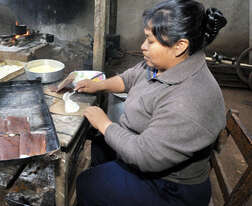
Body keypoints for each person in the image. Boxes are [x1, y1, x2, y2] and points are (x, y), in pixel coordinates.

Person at [74, 0, 227, 205]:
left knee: (87, 183)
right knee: (100, 145)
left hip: (171, 188)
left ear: (180, 46)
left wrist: (104, 123)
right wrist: (98, 85)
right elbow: (131, 77)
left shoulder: (189, 100)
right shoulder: (167, 63)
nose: (142, 47)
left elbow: (144, 155)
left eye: (150, 41)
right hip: (147, 151)